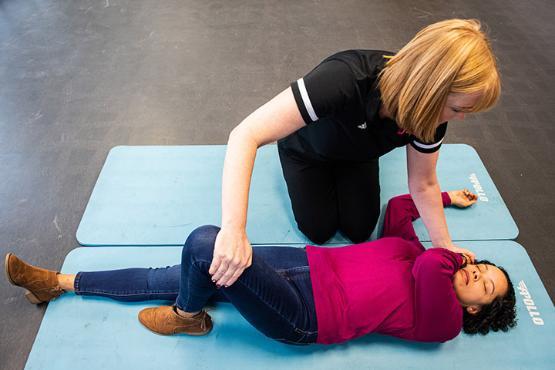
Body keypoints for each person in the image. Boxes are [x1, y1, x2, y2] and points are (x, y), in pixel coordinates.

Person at [5, 190, 516, 345]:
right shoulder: (412, 252)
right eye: (483, 269)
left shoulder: (443, 319)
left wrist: (455, 254)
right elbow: (404, 207)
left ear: (477, 312)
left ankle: (188, 317)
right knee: (177, 270)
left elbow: (432, 269)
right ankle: (59, 283)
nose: (476, 275)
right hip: (300, 264)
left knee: (205, 245)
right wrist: (446, 197)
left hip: (303, 314)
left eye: (485, 286)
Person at [210, 19, 501, 289]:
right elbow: (245, 134)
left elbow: (424, 183)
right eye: (459, 109)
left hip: (359, 154)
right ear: (430, 92)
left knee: (360, 230)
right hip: (308, 152)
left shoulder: (431, 118)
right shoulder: (344, 79)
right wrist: (234, 228)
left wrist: (444, 246)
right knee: (318, 230)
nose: (459, 118)